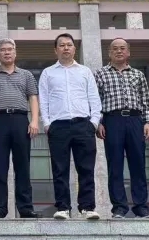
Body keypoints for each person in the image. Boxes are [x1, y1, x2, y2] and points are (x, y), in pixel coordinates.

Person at [39, 33, 102, 220]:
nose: (66, 48)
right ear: (55, 50)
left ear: (75, 49)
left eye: (69, 45)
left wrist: (94, 122)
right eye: (62, 45)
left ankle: (87, 207)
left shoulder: (85, 71)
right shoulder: (48, 73)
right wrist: (47, 124)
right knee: (60, 169)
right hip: (58, 126)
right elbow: (43, 100)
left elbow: (94, 98)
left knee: (86, 168)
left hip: (83, 125)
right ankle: (63, 207)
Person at [95, 38, 149, 219]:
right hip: (112, 121)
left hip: (136, 120)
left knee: (138, 164)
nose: (119, 51)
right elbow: (95, 100)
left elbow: (146, 100)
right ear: (109, 53)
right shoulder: (100, 74)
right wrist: (98, 122)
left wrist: (147, 122)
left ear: (128, 52)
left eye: (122, 48)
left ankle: (141, 207)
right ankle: (119, 207)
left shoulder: (138, 75)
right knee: (115, 165)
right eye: (115, 49)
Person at [0, 38, 40, 219]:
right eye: (3, 50)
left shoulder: (26, 75)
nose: (6, 52)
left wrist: (34, 120)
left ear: (15, 52)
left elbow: (33, 97)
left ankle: (26, 208)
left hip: (21, 120)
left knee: (23, 166)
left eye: (10, 49)